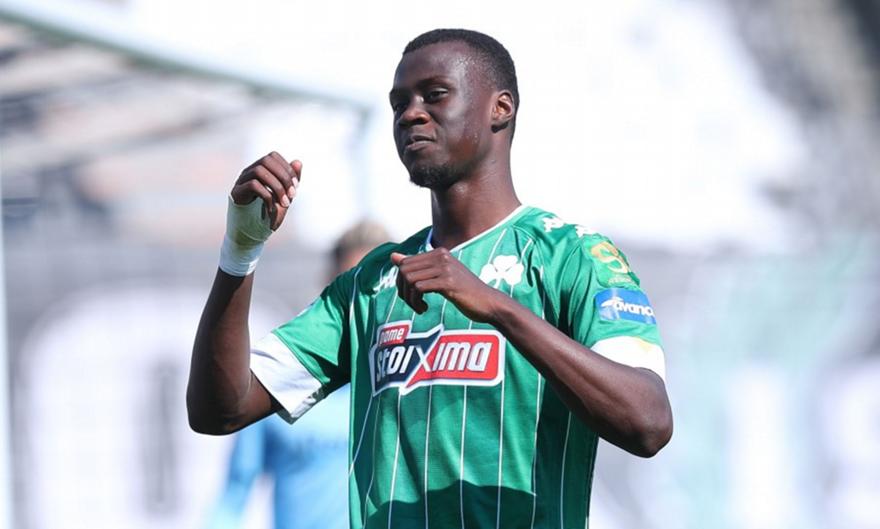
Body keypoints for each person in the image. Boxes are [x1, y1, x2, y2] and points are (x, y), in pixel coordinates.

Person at [188, 28, 673, 529]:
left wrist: (496, 306)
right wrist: (240, 252)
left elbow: (648, 422)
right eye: (399, 103)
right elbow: (219, 411)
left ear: (500, 108)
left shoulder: (573, 256)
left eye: (435, 95)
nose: (410, 114)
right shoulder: (372, 281)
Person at [203, 221, 390, 529]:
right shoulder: (282, 381)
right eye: (354, 286)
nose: (364, 302)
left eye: (376, 289)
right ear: (333, 287)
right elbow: (235, 491)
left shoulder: (410, 386)